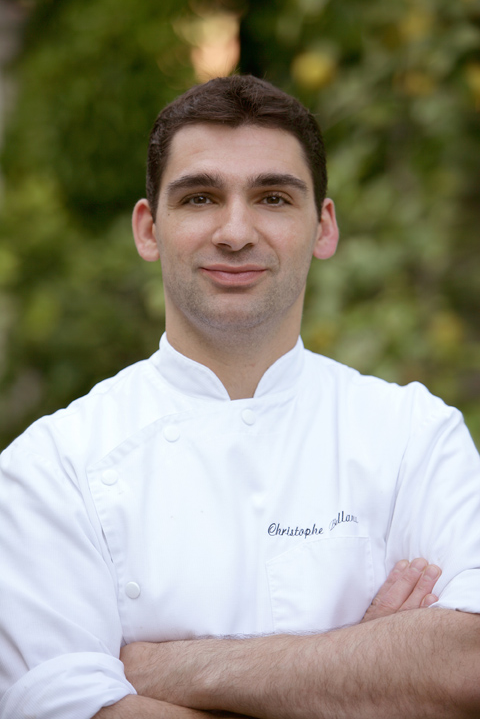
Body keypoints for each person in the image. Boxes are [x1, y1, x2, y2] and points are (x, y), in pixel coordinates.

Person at [0, 75, 479, 719]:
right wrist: (371, 674)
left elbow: (468, 663)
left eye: (272, 198)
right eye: (199, 198)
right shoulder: (51, 468)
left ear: (323, 228)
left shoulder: (414, 436)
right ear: (148, 229)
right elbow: (60, 709)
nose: (235, 231)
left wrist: (167, 671)